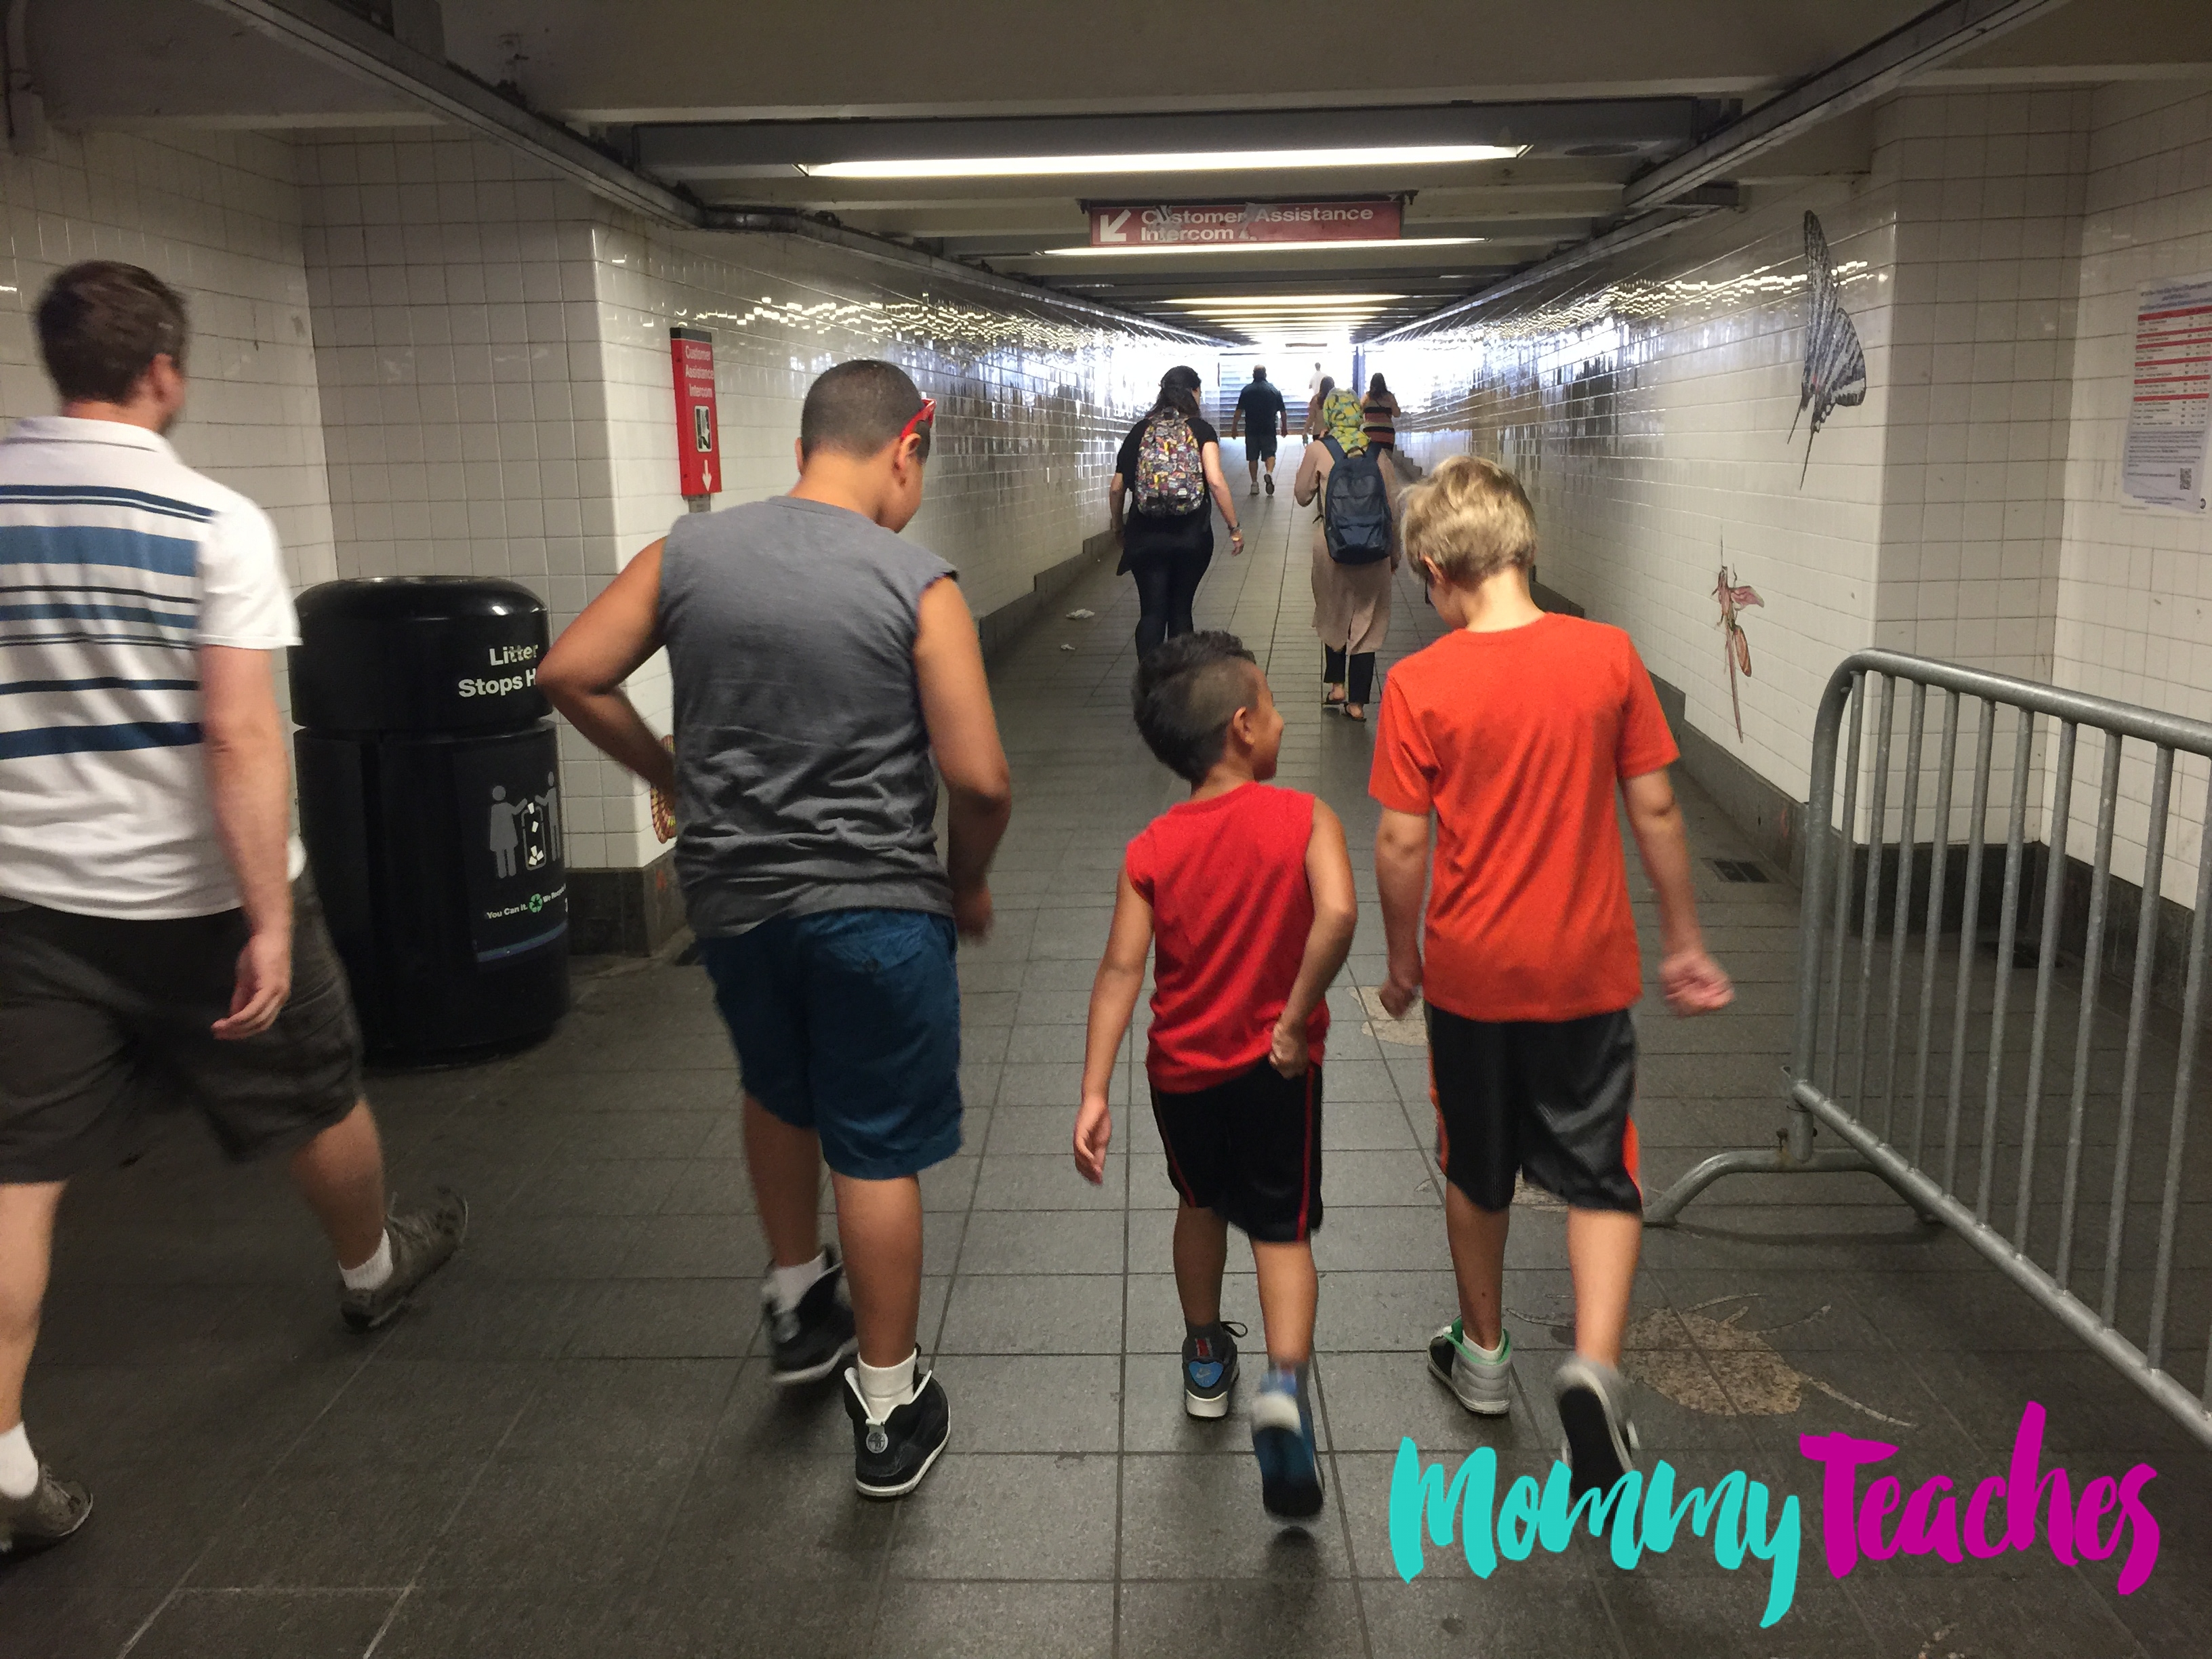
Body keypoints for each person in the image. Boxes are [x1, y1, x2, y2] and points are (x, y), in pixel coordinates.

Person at [0, 263, 468, 1556]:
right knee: (315, 1087)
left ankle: (3, 1460)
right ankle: (371, 1266)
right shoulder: (210, 521)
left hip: (27, 898)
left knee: (17, 1169)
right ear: (163, 370)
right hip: (197, 890)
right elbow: (243, 734)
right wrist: (266, 914)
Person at [539, 359, 1011, 1502]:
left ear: (804, 448)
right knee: (875, 1142)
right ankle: (888, 1407)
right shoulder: (916, 582)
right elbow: (981, 778)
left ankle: (799, 1300)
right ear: (907, 446)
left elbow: (569, 670)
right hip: (875, 907)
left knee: (779, 1084)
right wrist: (966, 881)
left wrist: (672, 775)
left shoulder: (687, 554)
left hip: (733, 903)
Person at [1368, 456, 1733, 1498]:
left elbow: (1401, 842)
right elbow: (1656, 809)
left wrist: (1403, 962)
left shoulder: (1422, 683)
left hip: (1472, 976)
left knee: (1476, 1165)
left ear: (1435, 571)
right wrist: (1685, 940)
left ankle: (1483, 1355)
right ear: (1527, 547)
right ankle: (1594, 1370)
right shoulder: (1608, 655)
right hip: (1587, 971)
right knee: (1602, 1172)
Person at [1075, 631, 1355, 1520]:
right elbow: (1339, 914)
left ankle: (1204, 1360)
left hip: (1181, 1076)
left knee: (1198, 1205)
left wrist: (1093, 1090)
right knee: (1280, 1230)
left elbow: (1121, 971)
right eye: (1272, 707)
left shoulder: (1151, 848)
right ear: (1243, 726)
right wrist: (1292, 1017)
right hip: (1276, 1070)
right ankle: (1284, 1390)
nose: (1281, 722)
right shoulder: (1306, 818)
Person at [1110, 366, 1242, 656]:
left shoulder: (1140, 431)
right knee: (1181, 610)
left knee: (1152, 612)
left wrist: (1118, 528)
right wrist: (1234, 528)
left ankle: (1149, 679)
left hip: (1145, 537)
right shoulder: (1201, 430)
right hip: (1191, 536)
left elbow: (1117, 488)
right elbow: (1216, 481)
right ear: (1193, 392)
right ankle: (1180, 679)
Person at [1295, 388, 1399, 721]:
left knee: (1334, 611)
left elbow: (1301, 496)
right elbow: (1394, 509)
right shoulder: (1377, 453)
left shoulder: (1318, 449)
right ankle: (1357, 703)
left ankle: (1337, 686)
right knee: (1368, 621)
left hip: (1331, 547)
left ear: (1329, 413)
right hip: (1374, 549)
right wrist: (1394, 554)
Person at [1227, 365, 1288, 497]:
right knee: (1270, 453)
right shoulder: (1274, 390)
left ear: (1253, 374)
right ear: (1265, 374)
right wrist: (1284, 427)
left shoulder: (1246, 391)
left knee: (1252, 457)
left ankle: (1254, 484)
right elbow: (1283, 412)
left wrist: (1234, 428)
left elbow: (1239, 411)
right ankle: (1269, 473)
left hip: (1252, 429)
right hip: (1268, 429)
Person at [1362, 373, 1413, 480]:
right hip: (1386, 434)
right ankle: (1385, 482)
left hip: (1370, 434)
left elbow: (1358, 411)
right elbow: (1397, 414)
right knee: (1386, 461)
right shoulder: (1389, 397)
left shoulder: (1367, 397)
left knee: (1371, 460)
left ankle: (1372, 482)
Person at [1302, 375, 1334, 441]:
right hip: (1333, 432)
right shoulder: (1336, 400)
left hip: (1318, 432)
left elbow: (1311, 418)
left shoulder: (1315, 400)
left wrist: (1305, 431)